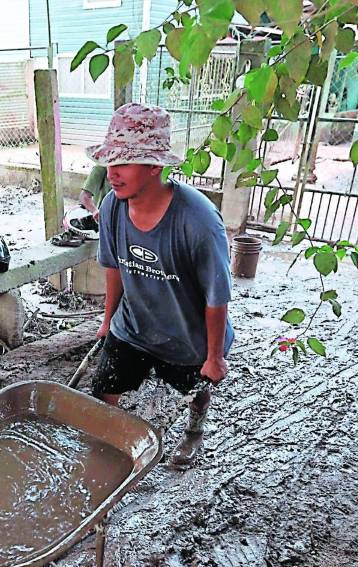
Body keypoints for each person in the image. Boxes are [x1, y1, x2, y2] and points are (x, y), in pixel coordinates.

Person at [85, 103, 234, 468]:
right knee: (103, 387)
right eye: (110, 162)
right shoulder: (111, 208)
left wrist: (214, 357)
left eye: (125, 163)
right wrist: (107, 322)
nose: (113, 173)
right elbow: (114, 268)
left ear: (155, 166)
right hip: (133, 325)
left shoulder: (198, 222)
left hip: (187, 335)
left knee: (196, 390)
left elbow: (217, 297)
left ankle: (194, 431)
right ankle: (110, 446)